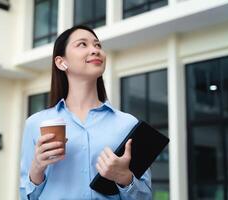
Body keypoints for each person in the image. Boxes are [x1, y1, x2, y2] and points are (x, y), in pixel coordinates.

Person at [19, 25, 152, 200]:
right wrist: (36, 168)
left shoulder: (127, 124)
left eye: (98, 45)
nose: (95, 50)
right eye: (82, 44)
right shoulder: (35, 123)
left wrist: (124, 177)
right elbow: (26, 197)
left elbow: (145, 197)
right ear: (61, 62)